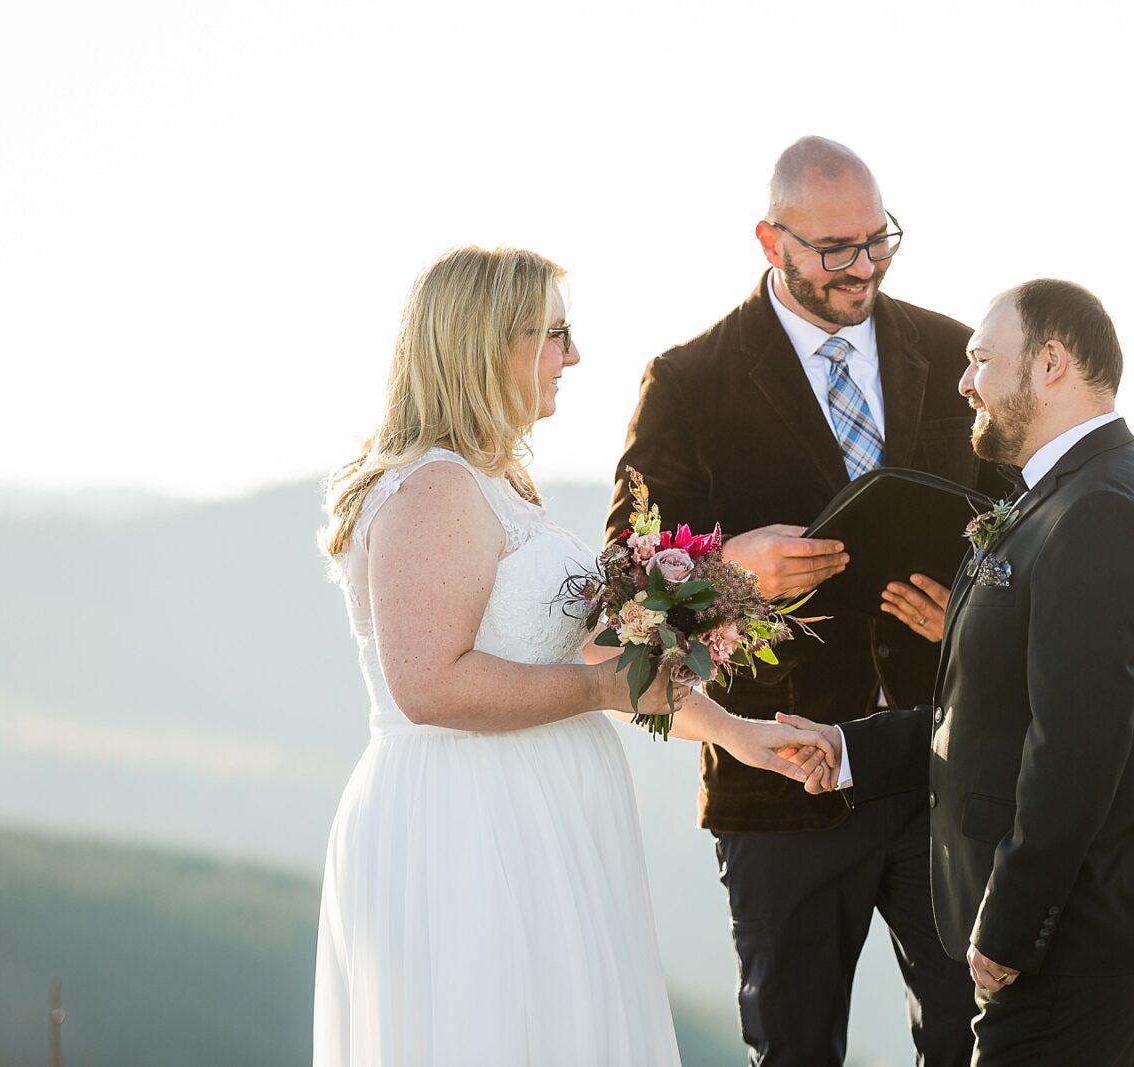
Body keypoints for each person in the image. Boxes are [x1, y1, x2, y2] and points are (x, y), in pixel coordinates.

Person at [312, 245, 833, 1067]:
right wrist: (595, 690)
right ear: (493, 343)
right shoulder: (437, 487)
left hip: (541, 813)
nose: (574, 356)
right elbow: (429, 683)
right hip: (470, 822)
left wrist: (734, 731)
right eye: (556, 334)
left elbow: (598, 651)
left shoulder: (498, 485)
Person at [608, 137, 998, 1066]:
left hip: (945, 773)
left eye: (879, 241)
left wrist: (973, 618)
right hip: (777, 785)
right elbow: (618, 596)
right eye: (835, 250)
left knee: (977, 1045)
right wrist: (731, 569)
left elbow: (1025, 532)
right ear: (768, 239)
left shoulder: (960, 357)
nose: (863, 267)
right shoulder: (689, 382)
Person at [783, 279, 1134, 1066]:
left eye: (980, 360)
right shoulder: (1064, 497)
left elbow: (1075, 747)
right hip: (1070, 930)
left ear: (1049, 364)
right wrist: (848, 749)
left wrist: (1010, 928)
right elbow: (998, 710)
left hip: (1077, 932)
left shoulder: (1099, 511)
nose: (964, 381)